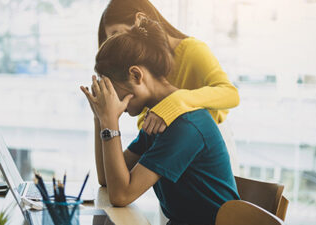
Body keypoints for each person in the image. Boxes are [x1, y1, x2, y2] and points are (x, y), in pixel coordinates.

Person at [81, 19, 239, 225]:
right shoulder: (159, 118)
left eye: (111, 89)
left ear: (136, 75)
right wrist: (100, 118)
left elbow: (121, 195)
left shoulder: (183, 125)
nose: (110, 98)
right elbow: (107, 180)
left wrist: (110, 121)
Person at [98, 0, 240, 174]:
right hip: (172, 145)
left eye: (117, 35)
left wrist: (175, 102)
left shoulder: (192, 50)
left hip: (205, 149)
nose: (117, 46)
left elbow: (230, 94)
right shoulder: (144, 71)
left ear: (140, 20)